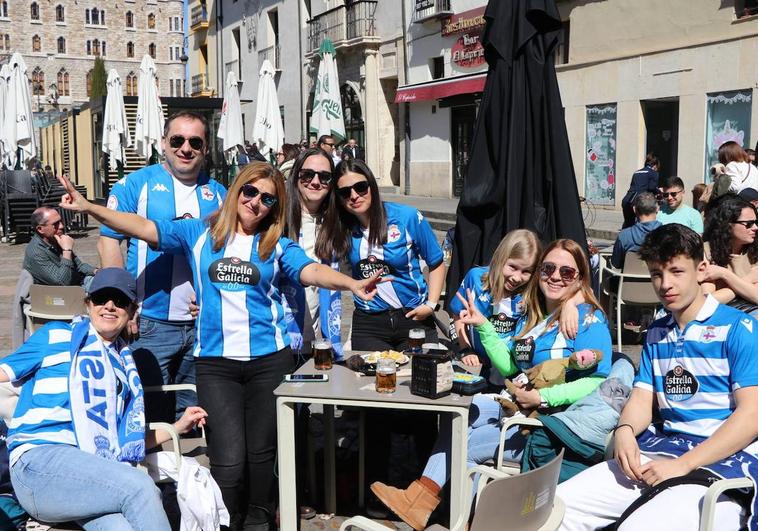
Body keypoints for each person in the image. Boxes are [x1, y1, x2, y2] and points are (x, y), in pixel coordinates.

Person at [56, 163, 382, 531]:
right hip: (215, 364)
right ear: (236, 191)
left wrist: (351, 284)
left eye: (267, 198)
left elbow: (310, 271)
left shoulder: (276, 244)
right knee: (228, 461)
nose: (256, 202)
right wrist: (90, 208)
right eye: (250, 192)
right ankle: (225, 522)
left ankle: (259, 522)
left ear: (274, 207)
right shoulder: (199, 233)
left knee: (262, 457)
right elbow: (142, 226)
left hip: (268, 363)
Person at [371, 238, 613, 530]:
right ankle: (423, 498)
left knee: (467, 444)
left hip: (550, 427)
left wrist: (543, 397)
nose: (555, 276)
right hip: (520, 410)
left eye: (567, 272)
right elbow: (512, 365)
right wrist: (484, 325)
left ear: (581, 278)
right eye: (548, 268)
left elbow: (598, 380)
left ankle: (466, 521)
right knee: (462, 412)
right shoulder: (538, 316)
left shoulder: (587, 319)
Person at [558, 224, 758, 531]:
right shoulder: (657, 332)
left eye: (676, 271)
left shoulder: (738, 328)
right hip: (660, 454)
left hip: (720, 465)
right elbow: (641, 397)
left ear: (701, 269)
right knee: (557, 508)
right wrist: (624, 429)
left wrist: (684, 464)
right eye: (656, 274)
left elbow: (752, 415)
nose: (665, 284)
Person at [1, 267, 207, 531]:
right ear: (88, 304)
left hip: (92, 475)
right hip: (39, 463)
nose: (109, 307)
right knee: (140, 486)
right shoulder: (55, 335)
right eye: (101, 299)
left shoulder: (124, 371)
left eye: (120, 301)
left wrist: (178, 428)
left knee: (120, 527)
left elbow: (124, 443)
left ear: (132, 312)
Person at [316, 159, 446, 514]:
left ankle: (422, 493)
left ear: (372, 186)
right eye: (345, 192)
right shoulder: (341, 229)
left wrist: (431, 305)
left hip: (411, 320)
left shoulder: (406, 218)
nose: (354, 196)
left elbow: (436, 261)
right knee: (375, 408)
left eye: (361, 187)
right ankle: (378, 494)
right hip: (370, 324)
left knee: (419, 404)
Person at [98, 111, 227, 423]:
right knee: (148, 412)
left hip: (201, 328)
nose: (186, 148)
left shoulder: (220, 194)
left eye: (195, 141)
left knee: (195, 414)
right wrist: (124, 305)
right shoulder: (136, 184)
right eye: (177, 140)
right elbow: (109, 241)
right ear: (163, 144)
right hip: (149, 323)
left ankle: (193, 471)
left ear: (206, 148)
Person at [284, 148, 341, 358]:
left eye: (324, 177)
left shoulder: (336, 221)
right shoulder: (275, 217)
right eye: (308, 174)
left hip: (318, 341)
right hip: (279, 339)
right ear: (296, 176)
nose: (315, 182)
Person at [701, 193, 758, 314]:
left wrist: (724, 274)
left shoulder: (754, 252)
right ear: (728, 225)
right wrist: (748, 280)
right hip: (720, 317)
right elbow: (707, 301)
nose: (755, 227)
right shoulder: (706, 251)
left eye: (756, 222)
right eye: (748, 224)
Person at [23, 207, 97, 288]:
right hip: (62, 294)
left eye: (61, 221)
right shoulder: (36, 252)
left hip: (80, 282)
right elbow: (62, 283)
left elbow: (79, 266)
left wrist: (97, 271)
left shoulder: (55, 240)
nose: (61, 226)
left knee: (109, 281)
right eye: (55, 224)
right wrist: (66, 251)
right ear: (40, 229)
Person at [610, 192, 661, 269]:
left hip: (629, 280)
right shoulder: (667, 235)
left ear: (634, 209)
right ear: (657, 208)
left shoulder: (624, 236)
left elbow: (616, 264)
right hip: (658, 280)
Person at [621, 154, 659, 229]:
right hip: (638, 202)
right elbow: (652, 188)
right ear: (655, 165)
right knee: (641, 226)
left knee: (628, 224)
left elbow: (633, 186)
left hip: (626, 200)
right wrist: (658, 191)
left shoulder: (637, 172)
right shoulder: (653, 173)